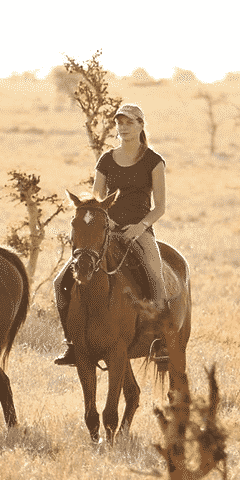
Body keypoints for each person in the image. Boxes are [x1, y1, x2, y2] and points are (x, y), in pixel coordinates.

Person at [54, 102, 168, 365]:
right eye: (120, 122)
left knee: (154, 273)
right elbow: (97, 200)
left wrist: (140, 227)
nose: (123, 127)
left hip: (139, 230)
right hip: (107, 231)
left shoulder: (153, 161)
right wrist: (107, 225)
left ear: (141, 125)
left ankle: (160, 339)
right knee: (60, 282)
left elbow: (160, 206)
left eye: (129, 122)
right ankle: (72, 343)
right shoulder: (106, 159)